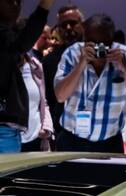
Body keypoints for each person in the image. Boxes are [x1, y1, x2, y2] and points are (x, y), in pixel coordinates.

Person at [52, 13, 126, 153]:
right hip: (71, 141)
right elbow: (60, 96)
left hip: (109, 143)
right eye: (92, 43)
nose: (98, 48)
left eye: (103, 43)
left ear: (112, 39)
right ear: (84, 38)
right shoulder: (72, 54)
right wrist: (80, 65)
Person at [0, 0, 52, 154]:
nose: (16, 5)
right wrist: (44, 6)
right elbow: (22, 42)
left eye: (19, 1)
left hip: (4, 129)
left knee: (0, 177)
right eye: (10, 0)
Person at [41, 5, 82, 133]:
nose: (68, 28)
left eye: (73, 23)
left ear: (83, 25)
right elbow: (48, 98)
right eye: (63, 25)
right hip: (63, 132)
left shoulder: (99, 56)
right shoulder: (49, 61)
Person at [21, 51, 53, 151]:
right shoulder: (3, 67)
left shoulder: (35, 65)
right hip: (8, 139)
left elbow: (43, 102)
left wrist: (46, 129)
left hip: (36, 139)